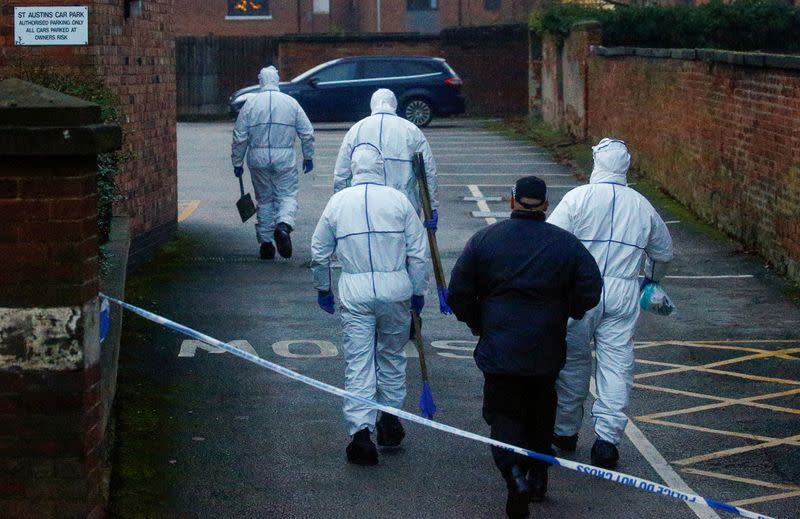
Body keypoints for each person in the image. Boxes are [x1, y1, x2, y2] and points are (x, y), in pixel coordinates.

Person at [447, 176, 602, 519]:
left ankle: (513, 475)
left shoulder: (486, 240)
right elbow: (591, 288)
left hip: (501, 347)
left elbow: (458, 291)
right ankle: (537, 475)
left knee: (503, 415)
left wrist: (479, 323)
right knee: (541, 410)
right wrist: (568, 311)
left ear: (512, 202)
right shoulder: (566, 244)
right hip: (545, 347)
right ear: (546, 205)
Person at [547, 138, 673, 469]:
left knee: (572, 362)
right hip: (624, 289)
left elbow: (552, 242)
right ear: (626, 167)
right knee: (616, 363)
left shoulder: (577, 198)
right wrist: (652, 279)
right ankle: (607, 440)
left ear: (597, 164)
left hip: (580, 290)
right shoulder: (642, 205)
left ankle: (565, 432)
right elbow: (663, 252)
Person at [310, 144, 429, 466]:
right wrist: (418, 293)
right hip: (396, 290)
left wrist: (324, 288)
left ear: (353, 169)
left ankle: (361, 432)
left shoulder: (338, 203)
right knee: (392, 357)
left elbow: (319, 250)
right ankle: (389, 419)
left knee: (359, 362)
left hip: (356, 291)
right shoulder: (398, 200)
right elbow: (418, 253)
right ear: (381, 168)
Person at [232, 66, 315, 260]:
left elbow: (239, 136)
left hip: (257, 158)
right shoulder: (291, 103)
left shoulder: (250, 104)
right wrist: (308, 156)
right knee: (286, 195)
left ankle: (266, 243)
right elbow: (307, 132)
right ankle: (283, 226)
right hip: (284, 157)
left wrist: (237, 162)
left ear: (261, 81)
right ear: (276, 80)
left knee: (264, 200)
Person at [333, 88, 439, 231]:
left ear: (372, 105)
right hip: (404, 204)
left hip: (365, 204)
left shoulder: (356, 130)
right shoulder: (411, 130)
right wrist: (431, 207)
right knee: (405, 248)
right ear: (394, 105)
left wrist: (341, 205)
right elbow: (428, 172)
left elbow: (341, 174)